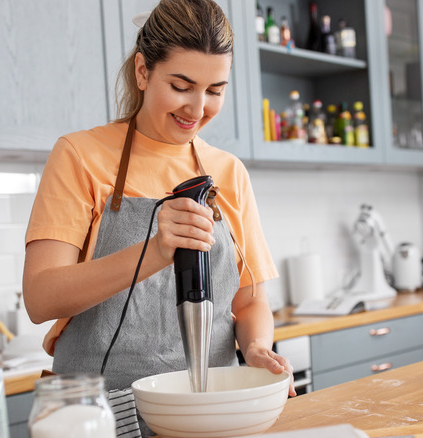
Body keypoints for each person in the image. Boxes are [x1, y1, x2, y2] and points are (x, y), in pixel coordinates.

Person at [23, 0, 295, 435]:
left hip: (206, 411)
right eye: (182, 85)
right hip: (97, 414)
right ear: (143, 71)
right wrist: (155, 250)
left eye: (215, 90)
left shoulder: (228, 172)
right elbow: (40, 297)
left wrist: (258, 348)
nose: (197, 108)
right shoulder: (80, 155)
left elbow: (249, 300)